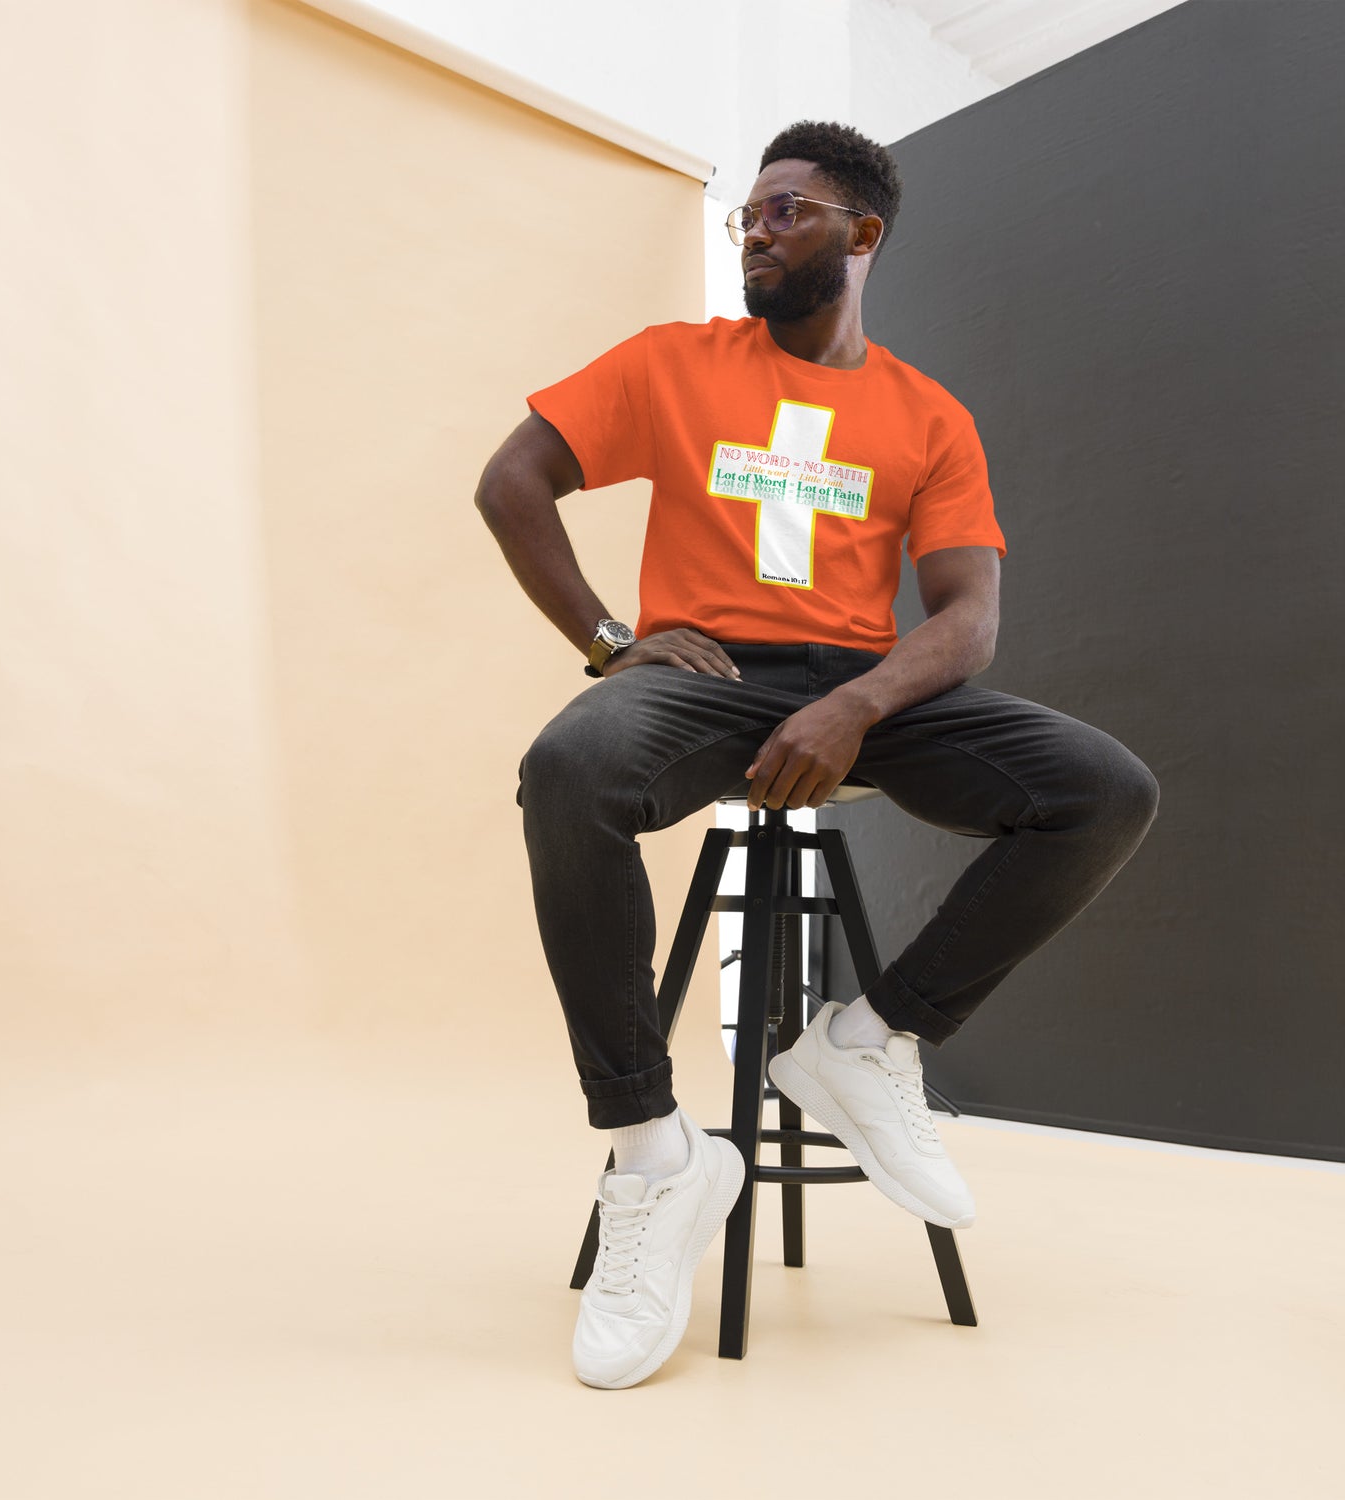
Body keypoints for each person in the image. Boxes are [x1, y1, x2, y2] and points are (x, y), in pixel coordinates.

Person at [475, 120, 1159, 1389]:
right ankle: (655, 1155)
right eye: (748, 214)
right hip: (706, 679)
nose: (756, 232)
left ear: (863, 233)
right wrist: (613, 642)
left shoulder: (928, 416)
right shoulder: (673, 363)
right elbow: (511, 480)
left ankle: (868, 1039)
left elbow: (967, 619)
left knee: (1103, 790)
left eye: (786, 211)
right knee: (568, 771)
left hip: (864, 686)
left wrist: (857, 706)